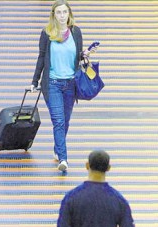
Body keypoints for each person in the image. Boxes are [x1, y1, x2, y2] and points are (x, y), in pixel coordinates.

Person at [30, 0, 92, 173]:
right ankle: (63, 158)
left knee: (65, 121)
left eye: (65, 12)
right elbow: (41, 58)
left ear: (69, 14)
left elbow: (76, 57)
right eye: (59, 12)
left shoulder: (76, 32)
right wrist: (35, 81)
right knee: (58, 121)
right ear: (53, 15)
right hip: (53, 84)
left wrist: (84, 54)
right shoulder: (47, 33)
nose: (62, 16)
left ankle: (58, 148)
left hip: (71, 84)